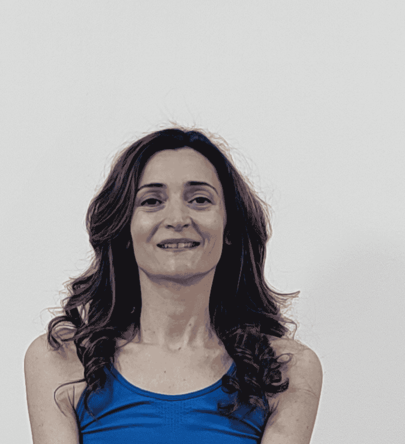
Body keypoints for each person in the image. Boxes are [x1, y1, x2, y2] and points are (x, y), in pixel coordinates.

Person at [25, 128, 323, 444]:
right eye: (152, 201)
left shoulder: (284, 369)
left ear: (229, 227)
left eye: (200, 199)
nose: (178, 218)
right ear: (125, 229)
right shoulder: (61, 359)